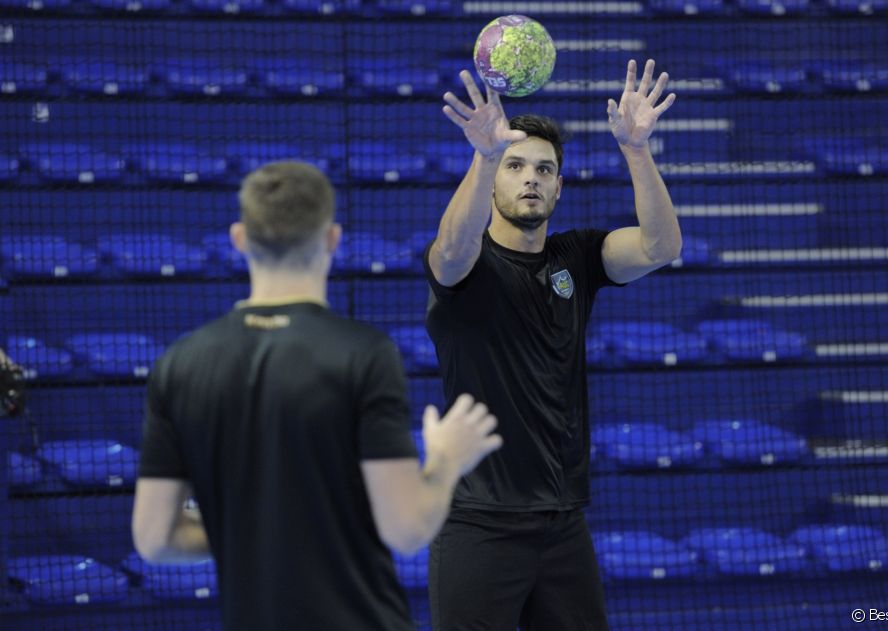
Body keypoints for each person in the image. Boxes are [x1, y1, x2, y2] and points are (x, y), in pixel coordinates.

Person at [131, 160, 502, 631]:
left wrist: (250, 527)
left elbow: (153, 538)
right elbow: (407, 529)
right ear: (332, 239)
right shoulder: (363, 354)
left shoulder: (181, 363)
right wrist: (448, 458)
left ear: (240, 239)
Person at [425, 59, 682, 630]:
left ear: (559, 186)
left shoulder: (578, 257)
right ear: (494, 180)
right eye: (515, 166)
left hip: (563, 523)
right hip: (479, 523)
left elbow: (661, 246)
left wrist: (638, 151)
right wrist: (484, 153)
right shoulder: (466, 267)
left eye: (544, 169)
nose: (531, 178)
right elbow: (449, 249)